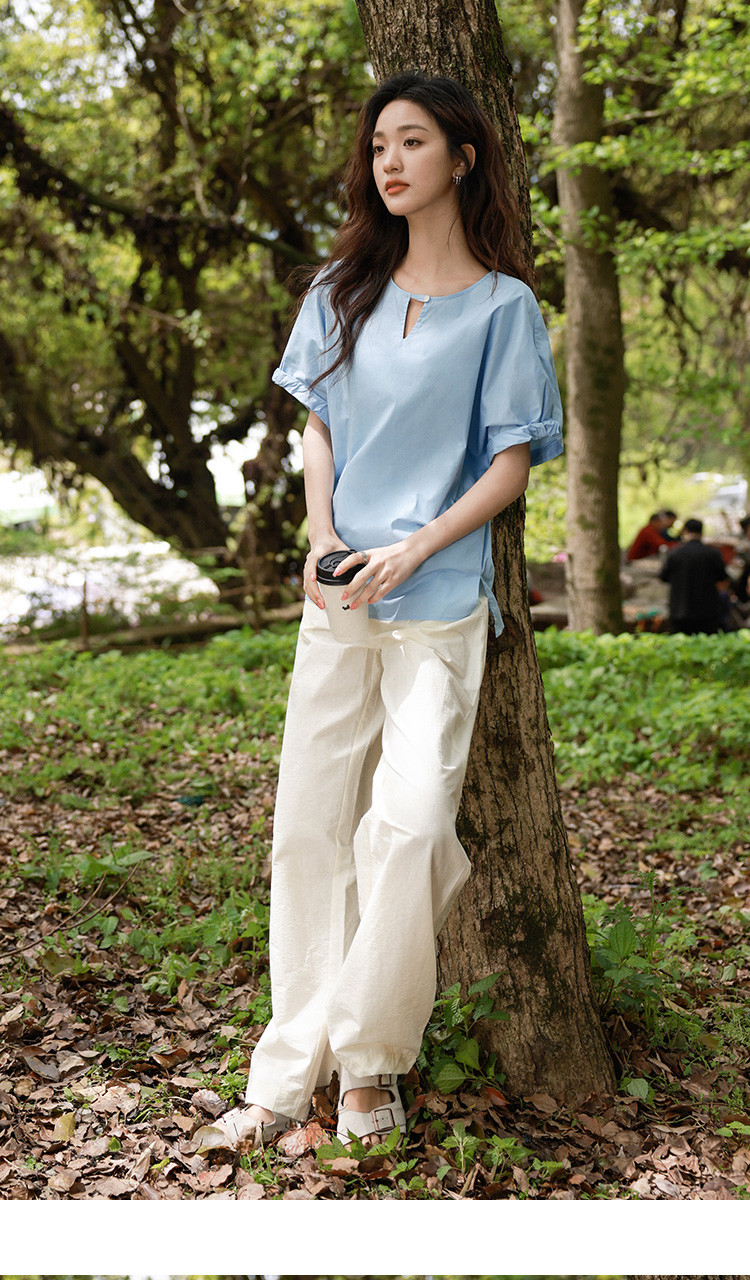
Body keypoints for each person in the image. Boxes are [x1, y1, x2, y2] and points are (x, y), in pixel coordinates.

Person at [203, 70, 563, 1153]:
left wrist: (416, 546)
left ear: (463, 156)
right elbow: (318, 427)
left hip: (440, 602)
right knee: (308, 830)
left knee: (409, 829)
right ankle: (284, 1078)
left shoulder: (505, 307)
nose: (390, 161)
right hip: (337, 597)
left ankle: (369, 1066)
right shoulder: (339, 289)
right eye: (378, 146)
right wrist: (323, 536)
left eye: (412, 141)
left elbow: (510, 463)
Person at [659, 517, 728, 634]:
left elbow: (663, 577)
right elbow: (722, 577)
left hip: (680, 610)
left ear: (685, 531)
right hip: (707, 611)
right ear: (701, 532)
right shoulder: (713, 554)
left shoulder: (675, 553)